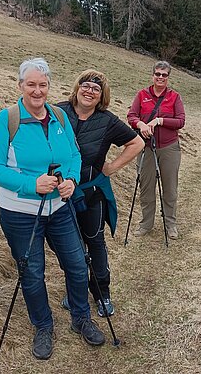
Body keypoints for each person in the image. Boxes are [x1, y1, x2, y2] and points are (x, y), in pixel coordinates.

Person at [0, 58, 105, 361]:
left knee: (77, 264)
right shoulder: (8, 119)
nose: (37, 91)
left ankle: (81, 318)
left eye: (43, 84)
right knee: (33, 272)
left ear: (49, 86)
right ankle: (43, 327)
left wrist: (72, 180)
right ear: (20, 85)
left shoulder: (60, 117)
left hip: (59, 208)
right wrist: (29, 184)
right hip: (19, 213)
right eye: (31, 84)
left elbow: (74, 156)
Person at [58, 69, 144, 317]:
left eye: (96, 89)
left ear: (101, 96)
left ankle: (102, 293)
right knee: (69, 246)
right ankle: (76, 291)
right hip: (60, 194)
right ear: (77, 88)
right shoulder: (58, 112)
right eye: (85, 85)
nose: (89, 91)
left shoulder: (107, 121)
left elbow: (136, 143)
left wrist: (110, 168)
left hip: (90, 193)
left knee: (95, 242)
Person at [127, 61, 185, 240]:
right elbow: (131, 116)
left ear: (168, 77)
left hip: (169, 148)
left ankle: (170, 224)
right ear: (153, 75)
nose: (160, 77)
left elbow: (180, 121)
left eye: (164, 75)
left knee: (170, 189)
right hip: (146, 148)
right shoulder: (142, 95)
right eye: (158, 74)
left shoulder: (174, 97)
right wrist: (141, 124)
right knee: (146, 187)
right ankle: (146, 224)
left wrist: (160, 120)